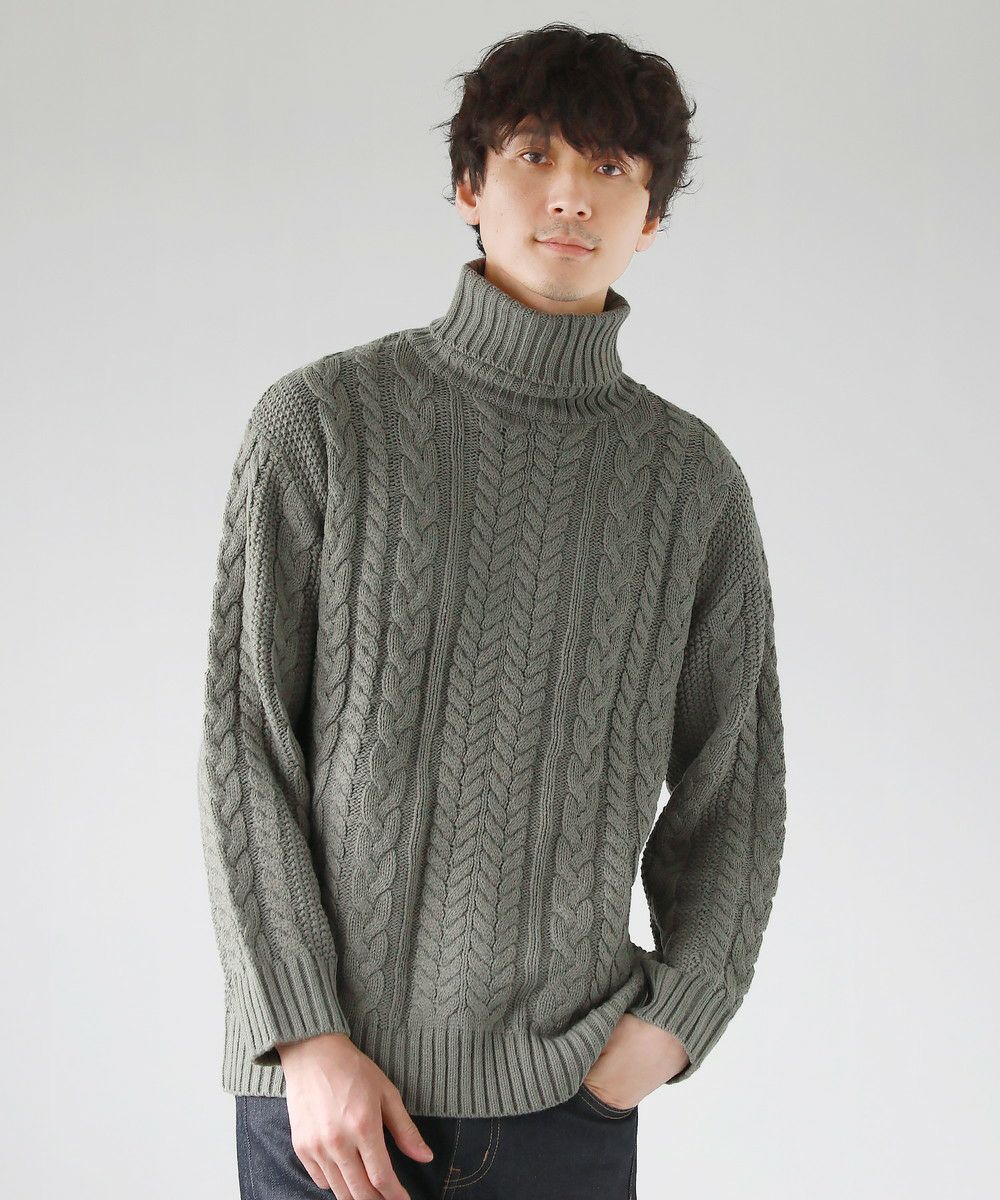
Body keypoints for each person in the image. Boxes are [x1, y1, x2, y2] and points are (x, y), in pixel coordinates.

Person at [196, 22, 787, 1200]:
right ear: (469, 187)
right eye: (532, 154)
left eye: (610, 167)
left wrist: (679, 1013)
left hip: (565, 1104)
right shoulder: (323, 423)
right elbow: (246, 744)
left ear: (650, 217)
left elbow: (737, 779)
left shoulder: (689, 480)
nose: (570, 194)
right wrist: (303, 1038)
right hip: (331, 1105)